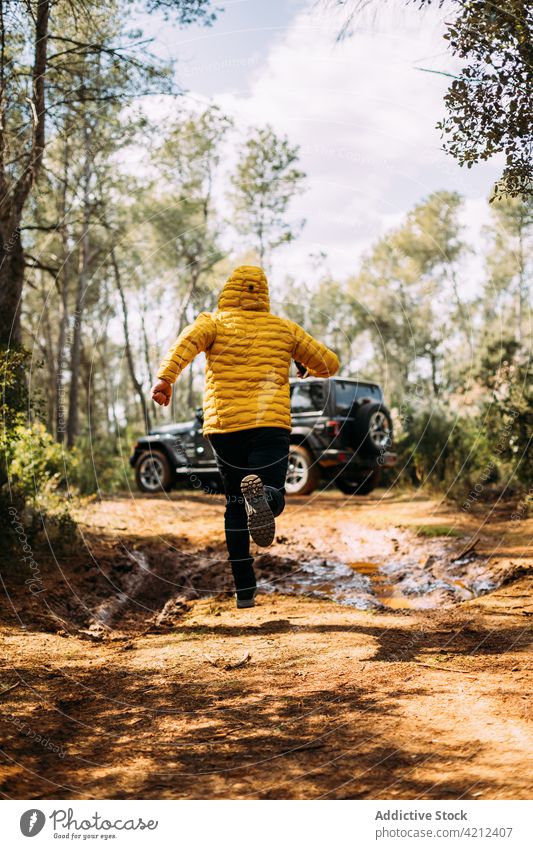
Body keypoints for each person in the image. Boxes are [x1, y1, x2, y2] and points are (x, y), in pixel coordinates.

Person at [151, 265, 339, 608]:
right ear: (263, 295)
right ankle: (265, 498)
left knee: (235, 506)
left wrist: (166, 379)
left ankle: (245, 590)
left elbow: (186, 343)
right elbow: (330, 364)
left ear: (229, 291)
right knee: (273, 489)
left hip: (226, 429)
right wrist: (307, 366)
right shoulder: (284, 329)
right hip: (269, 424)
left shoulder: (213, 321)